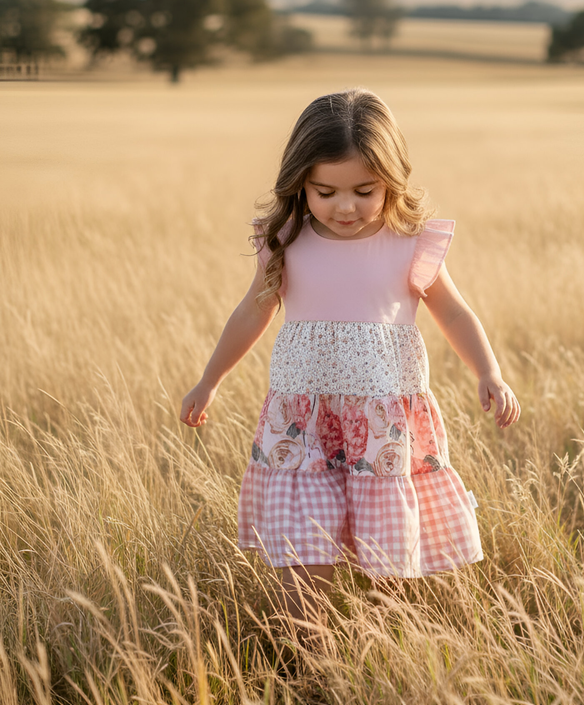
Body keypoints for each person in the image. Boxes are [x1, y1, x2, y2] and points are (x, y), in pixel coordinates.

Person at [180, 88, 520, 623]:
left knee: (388, 569)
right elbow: (253, 311)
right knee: (302, 564)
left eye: (365, 190)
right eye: (325, 191)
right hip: (303, 424)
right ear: (301, 184)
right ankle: (309, 666)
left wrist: (489, 371)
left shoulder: (410, 242)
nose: (345, 206)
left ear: (392, 180)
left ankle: (377, 663)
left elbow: (453, 313)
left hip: (380, 428)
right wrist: (210, 381)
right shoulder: (286, 239)